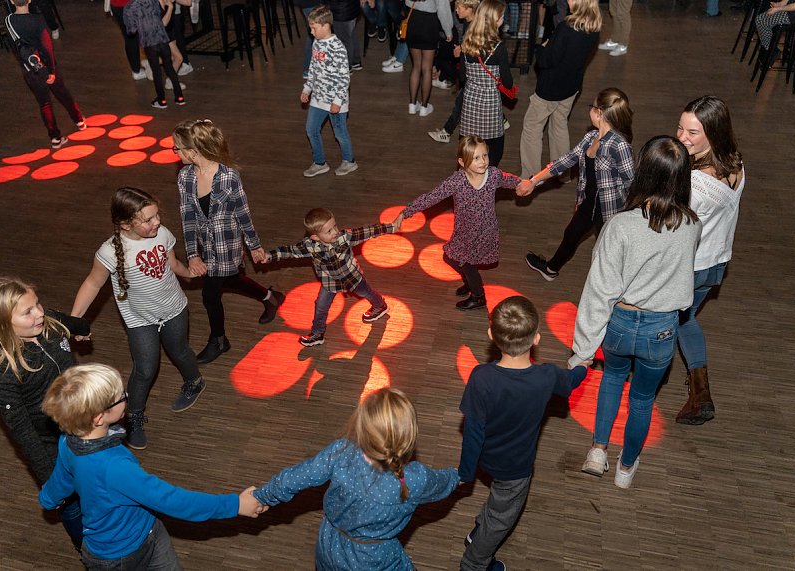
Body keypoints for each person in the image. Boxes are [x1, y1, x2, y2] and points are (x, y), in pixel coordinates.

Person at [39, 363, 263, 570]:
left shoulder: (69, 440)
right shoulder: (115, 468)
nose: (127, 397)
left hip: (148, 530)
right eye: (121, 397)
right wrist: (235, 505)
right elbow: (173, 500)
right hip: (119, 558)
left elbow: (63, 476)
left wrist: (48, 499)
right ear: (99, 418)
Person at [571, 136, 701, 489]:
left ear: (643, 173)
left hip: (621, 323)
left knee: (612, 379)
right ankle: (625, 469)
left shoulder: (621, 226)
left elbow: (599, 291)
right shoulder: (692, 225)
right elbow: (684, 287)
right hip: (661, 329)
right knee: (643, 400)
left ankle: (597, 451)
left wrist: (582, 351)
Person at [249, 387, 460, 570]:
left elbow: (293, 478)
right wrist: (461, 475)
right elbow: (445, 483)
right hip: (374, 558)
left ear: (362, 427)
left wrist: (261, 497)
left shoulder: (340, 452)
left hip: (330, 544)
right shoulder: (414, 479)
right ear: (408, 437)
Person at [459, 296, 589, 571]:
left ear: (491, 335)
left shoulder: (481, 377)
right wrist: (582, 367)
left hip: (486, 457)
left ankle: (478, 532)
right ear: (537, 338)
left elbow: (473, 430)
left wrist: (466, 472)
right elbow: (571, 382)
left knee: (497, 503)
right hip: (516, 467)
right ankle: (473, 564)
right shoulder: (547, 376)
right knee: (502, 518)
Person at [71, 187, 207, 450]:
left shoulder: (162, 233)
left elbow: (171, 264)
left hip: (174, 308)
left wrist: (189, 273)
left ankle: (195, 382)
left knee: (180, 351)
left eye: (157, 216)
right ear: (125, 224)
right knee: (145, 369)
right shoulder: (110, 252)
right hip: (140, 319)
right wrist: (74, 320)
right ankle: (132, 417)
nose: (156, 222)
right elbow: (92, 284)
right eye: (148, 220)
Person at [0, 277, 87, 549]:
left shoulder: (49, 324)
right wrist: (50, 478)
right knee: (72, 505)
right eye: (28, 311)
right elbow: (22, 432)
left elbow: (77, 324)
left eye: (38, 304)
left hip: (85, 425)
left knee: (100, 487)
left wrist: (81, 329)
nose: (40, 313)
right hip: (51, 445)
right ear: (1, 323)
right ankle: (90, 553)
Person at [174, 119, 284, 364]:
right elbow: (187, 218)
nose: (175, 152)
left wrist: (255, 246)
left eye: (177, 148)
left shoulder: (228, 177)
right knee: (231, 279)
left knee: (210, 294)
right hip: (205, 245)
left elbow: (243, 213)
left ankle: (219, 340)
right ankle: (270, 297)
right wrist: (193, 254)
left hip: (227, 244)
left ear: (193, 151)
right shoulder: (185, 177)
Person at [674, 96, 745, 425]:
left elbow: (671, 227)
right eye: (680, 128)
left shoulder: (693, 182)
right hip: (717, 261)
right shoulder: (736, 163)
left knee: (661, 325)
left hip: (689, 266)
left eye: (692, 132)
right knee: (684, 321)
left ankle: (638, 382)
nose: (681, 137)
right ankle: (700, 393)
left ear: (712, 133)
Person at [518, 87, 635, 281]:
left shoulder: (619, 145)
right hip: (588, 202)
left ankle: (620, 287)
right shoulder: (591, 138)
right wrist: (533, 181)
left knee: (609, 251)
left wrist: (629, 215)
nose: (589, 110)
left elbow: (631, 181)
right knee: (571, 234)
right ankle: (551, 269)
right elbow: (565, 160)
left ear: (600, 113)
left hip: (610, 210)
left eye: (592, 107)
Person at [400, 136, 523, 310]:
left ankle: (478, 296)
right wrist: (407, 212)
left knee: (467, 263)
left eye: (485, 156)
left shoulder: (493, 175)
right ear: (462, 162)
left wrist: (522, 184)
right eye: (476, 158)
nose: (483, 162)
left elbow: (508, 179)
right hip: (464, 232)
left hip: (485, 232)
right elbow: (432, 197)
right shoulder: (457, 181)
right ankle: (471, 283)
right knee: (449, 257)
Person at [261, 207, 396, 346]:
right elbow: (288, 251)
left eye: (335, 226)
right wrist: (270, 255)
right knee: (321, 306)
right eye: (329, 231)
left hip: (352, 277)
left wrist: (391, 227)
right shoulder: (310, 246)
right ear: (315, 237)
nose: (335, 232)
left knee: (366, 292)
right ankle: (317, 334)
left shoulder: (345, 237)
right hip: (330, 282)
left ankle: (380, 306)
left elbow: (368, 231)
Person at [519, 0, 601, 179]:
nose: (568, 1)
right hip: (571, 86)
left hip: (550, 88)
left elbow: (547, 60)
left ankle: (531, 176)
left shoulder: (567, 27)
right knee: (560, 124)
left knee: (532, 127)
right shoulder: (594, 27)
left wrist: (541, 48)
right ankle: (561, 172)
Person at [7, 0, 86, 149]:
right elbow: (47, 46)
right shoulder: (37, 20)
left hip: (30, 70)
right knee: (63, 94)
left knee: (44, 103)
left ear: (12, 1)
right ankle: (79, 120)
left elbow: (16, 48)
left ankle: (55, 137)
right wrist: (51, 70)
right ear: (29, 0)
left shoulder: (8, 20)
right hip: (47, 66)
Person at [301, 5, 359, 178]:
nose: (311, 32)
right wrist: (307, 88)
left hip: (335, 100)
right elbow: (313, 68)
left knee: (340, 133)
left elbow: (344, 78)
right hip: (318, 98)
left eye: (314, 28)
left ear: (326, 26)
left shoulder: (338, 48)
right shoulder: (316, 43)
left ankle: (349, 161)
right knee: (311, 129)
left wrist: (337, 101)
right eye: (310, 28)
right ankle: (320, 163)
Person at [458, 0, 511, 167]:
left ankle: (468, 182)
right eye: (501, 17)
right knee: (495, 149)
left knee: (468, 147)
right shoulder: (499, 48)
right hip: (490, 103)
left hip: (470, 101)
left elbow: (462, 76)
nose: (503, 20)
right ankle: (486, 180)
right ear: (494, 21)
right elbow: (508, 83)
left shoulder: (466, 42)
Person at [428, 0, 480, 144]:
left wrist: (462, 51)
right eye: (456, 6)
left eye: (460, 7)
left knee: (460, 103)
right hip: (472, 75)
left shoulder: (474, 26)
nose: (456, 10)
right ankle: (501, 119)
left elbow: (477, 52)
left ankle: (446, 132)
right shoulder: (470, 23)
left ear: (470, 9)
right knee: (462, 102)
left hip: (474, 75)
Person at [123, 0, 185, 108]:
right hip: (163, 38)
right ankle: (179, 97)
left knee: (156, 71)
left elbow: (131, 31)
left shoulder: (129, 8)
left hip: (149, 42)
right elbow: (160, 18)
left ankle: (161, 100)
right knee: (169, 67)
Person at [405, 0, 453, 117]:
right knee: (427, 68)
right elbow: (443, 9)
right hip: (429, 24)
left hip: (412, 20)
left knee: (416, 66)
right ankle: (424, 107)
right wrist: (448, 30)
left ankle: (412, 105)